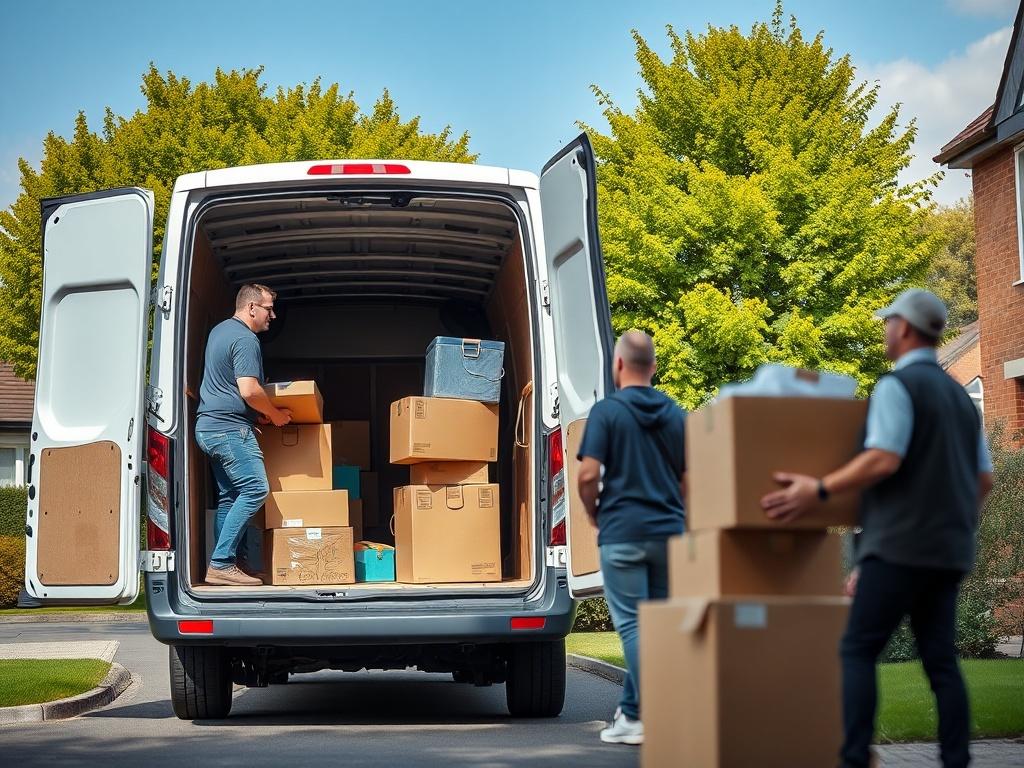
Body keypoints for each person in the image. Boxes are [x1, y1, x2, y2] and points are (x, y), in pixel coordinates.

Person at [760, 289, 994, 768]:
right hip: (947, 550)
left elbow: (884, 457)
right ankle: (956, 761)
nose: (885, 330)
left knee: (857, 649)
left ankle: (853, 757)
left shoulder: (897, 388)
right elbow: (983, 478)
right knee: (942, 663)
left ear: (904, 328)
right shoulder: (961, 399)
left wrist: (819, 490)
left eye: (889, 322)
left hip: (901, 547)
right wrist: (954, 523)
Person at [577, 329, 687, 746]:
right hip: (669, 534)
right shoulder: (676, 414)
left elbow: (587, 475)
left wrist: (595, 514)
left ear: (618, 365)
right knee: (657, 627)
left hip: (622, 531)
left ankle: (643, 716)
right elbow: (689, 479)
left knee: (634, 629)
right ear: (654, 367)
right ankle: (629, 712)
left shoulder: (607, 412)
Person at [196, 283, 292, 586]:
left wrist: (256, 412)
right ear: (251, 308)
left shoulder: (220, 331)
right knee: (255, 489)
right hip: (229, 430)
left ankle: (230, 564)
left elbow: (227, 385)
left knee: (230, 498)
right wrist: (275, 415)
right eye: (268, 308)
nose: (272, 315)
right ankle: (222, 562)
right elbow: (249, 389)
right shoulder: (245, 338)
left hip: (209, 427)